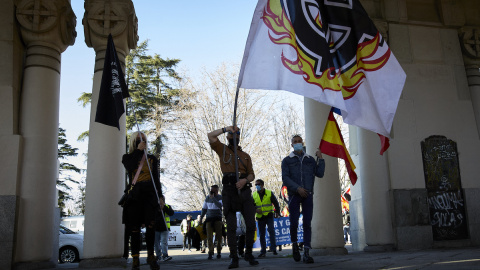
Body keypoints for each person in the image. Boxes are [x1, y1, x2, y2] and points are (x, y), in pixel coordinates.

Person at [208, 126, 259, 269]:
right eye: (231, 134)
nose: (234, 137)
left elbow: (252, 174)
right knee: (230, 227)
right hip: (229, 191)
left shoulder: (245, 155)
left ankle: (248, 253)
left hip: (244, 190)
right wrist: (226, 129)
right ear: (228, 137)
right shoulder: (222, 149)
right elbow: (210, 136)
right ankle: (234, 257)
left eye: (236, 134)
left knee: (250, 224)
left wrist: (245, 181)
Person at [122, 131, 162, 270]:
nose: (142, 141)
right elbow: (130, 167)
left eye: (144, 139)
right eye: (139, 139)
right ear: (134, 142)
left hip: (150, 195)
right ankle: (135, 259)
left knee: (151, 226)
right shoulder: (127, 157)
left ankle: (151, 256)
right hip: (135, 195)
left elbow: (157, 179)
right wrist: (138, 152)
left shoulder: (152, 158)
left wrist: (161, 196)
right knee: (134, 229)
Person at [281, 134, 325, 264]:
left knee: (307, 224)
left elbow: (320, 173)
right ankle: (294, 245)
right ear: (292, 145)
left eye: (299, 141)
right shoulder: (287, 160)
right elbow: (285, 178)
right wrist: (297, 188)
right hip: (294, 195)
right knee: (293, 223)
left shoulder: (310, 159)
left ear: (302, 143)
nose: (297, 143)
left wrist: (321, 159)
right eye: (295, 142)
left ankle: (306, 252)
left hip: (308, 195)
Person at [252, 179, 281, 257]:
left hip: (269, 215)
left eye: (258, 184)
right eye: (256, 185)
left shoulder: (269, 193)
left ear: (262, 185)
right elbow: (251, 206)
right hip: (260, 217)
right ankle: (263, 251)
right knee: (262, 234)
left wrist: (277, 212)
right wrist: (255, 209)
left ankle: (273, 249)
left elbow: (276, 203)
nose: (257, 186)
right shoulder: (254, 195)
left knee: (271, 231)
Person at [200, 184, 223, 259]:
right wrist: (201, 218)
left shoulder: (220, 197)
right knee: (209, 237)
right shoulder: (207, 198)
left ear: (216, 190)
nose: (211, 191)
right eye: (211, 189)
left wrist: (213, 198)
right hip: (209, 219)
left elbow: (220, 205)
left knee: (219, 236)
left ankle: (219, 251)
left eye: (213, 189)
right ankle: (210, 252)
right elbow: (204, 209)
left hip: (218, 219)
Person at [154, 195, 174, 262]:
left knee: (164, 242)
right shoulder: (155, 207)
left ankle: (165, 255)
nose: (160, 201)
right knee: (156, 243)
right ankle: (158, 256)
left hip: (165, 228)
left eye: (162, 199)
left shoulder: (167, 206)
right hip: (156, 227)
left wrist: (164, 207)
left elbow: (171, 213)